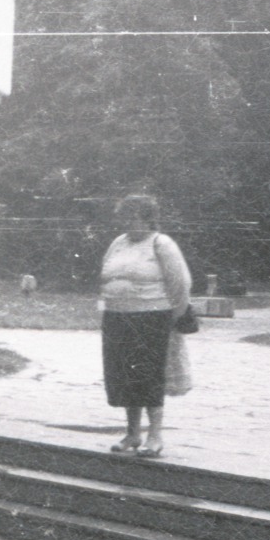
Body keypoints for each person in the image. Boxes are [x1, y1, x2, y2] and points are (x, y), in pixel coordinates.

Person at [98, 193, 191, 459]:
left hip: (152, 318)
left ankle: (155, 436)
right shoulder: (118, 243)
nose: (128, 223)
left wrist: (174, 317)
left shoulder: (162, 244)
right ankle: (132, 433)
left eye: (133, 218)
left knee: (148, 377)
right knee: (124, 376)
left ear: (149, 219)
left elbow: (180, 284)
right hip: (117, 318)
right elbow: (106, 277)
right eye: (124, 218)